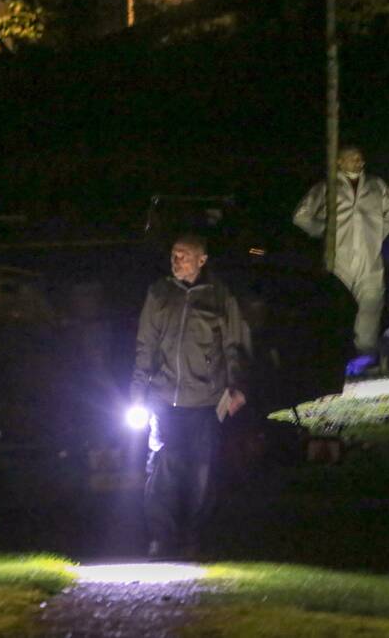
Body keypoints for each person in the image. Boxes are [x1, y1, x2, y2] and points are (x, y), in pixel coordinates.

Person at [131, 233, 250, 558]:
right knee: (161, 467)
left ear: (202, 259)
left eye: (183, 255)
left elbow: (233, 344)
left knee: (201, 471)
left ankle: (192, 538)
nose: (176, 260)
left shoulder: (219, 296)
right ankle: (161, 539)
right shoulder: (159, 293)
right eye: (173, 254)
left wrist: (236, 384)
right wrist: (138, 394)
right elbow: (146, 346)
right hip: (163, 399)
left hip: (205, 401)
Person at [293, 145, 389, 373]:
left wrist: (377, 234)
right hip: (338, 259)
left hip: (369, 258)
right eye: (352, 159)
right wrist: (325, 232)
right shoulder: (327, 188)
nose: (358, 162)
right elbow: (301, 216)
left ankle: (366, 360)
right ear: (339, 162)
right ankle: (337, 359)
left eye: (360, 159)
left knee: (370, 307)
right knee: (339, 310)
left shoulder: (375, 185)